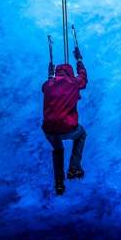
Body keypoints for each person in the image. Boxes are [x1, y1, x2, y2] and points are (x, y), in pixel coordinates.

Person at [42, 47, 88, 195]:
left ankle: (59, 183)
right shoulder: (74, 83)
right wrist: (79, 61)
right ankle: (74, 167)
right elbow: (83, 78)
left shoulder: (47, 85)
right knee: (81, 135)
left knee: (58, 149)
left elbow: (49, 86)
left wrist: (50, 75)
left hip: (50, 130)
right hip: (68, 128)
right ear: (70, 73)